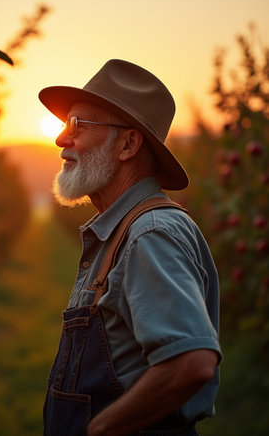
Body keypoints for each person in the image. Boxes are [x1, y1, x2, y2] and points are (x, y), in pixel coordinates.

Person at [39, 59, 222, 436]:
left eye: (77, 125)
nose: (61, 139)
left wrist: (102, 428)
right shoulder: (124, 230)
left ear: (128, 144)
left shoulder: (149, 233)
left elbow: (192, 362)